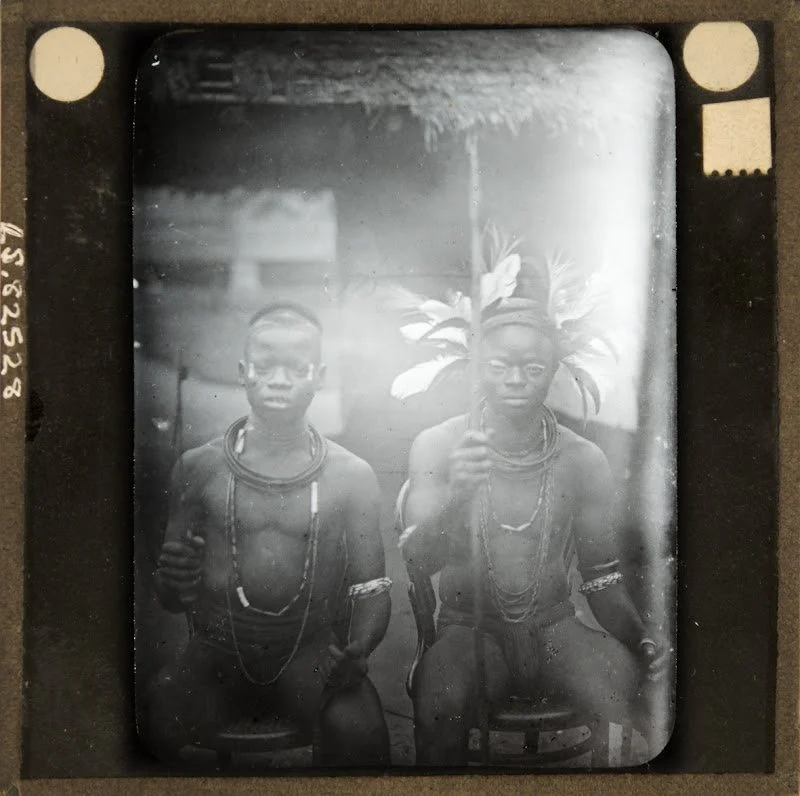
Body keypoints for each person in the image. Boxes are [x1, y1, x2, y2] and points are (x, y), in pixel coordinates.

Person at [400, 297, 670, 767]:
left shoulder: (583, 459)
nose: (516, 380)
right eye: (500, 366)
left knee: (628, 698)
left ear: (554, 370)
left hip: (555, 627)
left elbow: (602, 579)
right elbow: (418, 562)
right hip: (468, 631)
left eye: (533, 368)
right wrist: (457, 495)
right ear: (476, 366)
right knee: (440, 709)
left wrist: (640, 637)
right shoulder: (440, 445)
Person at [141, 301, 391, 768]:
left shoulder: (351, 475)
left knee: (362, 735)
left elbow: (371, 588)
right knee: (155, 717)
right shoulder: (198, 467)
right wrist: (173, 582)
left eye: (296, 368)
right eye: (265, 366)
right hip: (212, 655)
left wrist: (361, 647)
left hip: (309, 651)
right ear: (243, 372)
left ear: (318, 376)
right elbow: (172, 598)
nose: (279, 379)